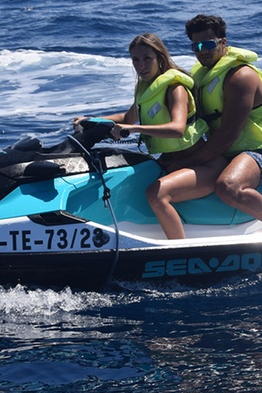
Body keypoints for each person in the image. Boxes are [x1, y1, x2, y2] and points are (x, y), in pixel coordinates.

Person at [74, 33, 225, 239]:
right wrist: (91, 120)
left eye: (147, 58)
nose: (141, 65)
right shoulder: (145, 89)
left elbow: (177, 128)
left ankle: (178, 250)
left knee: (156, 194)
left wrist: (133, 129)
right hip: (173, 162)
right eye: (135, 60)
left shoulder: (175, 88)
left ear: (160, 59)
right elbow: (127, 117)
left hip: (203, 166)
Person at [159, 14, 262, 234]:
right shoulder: (202, 75)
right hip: (225, 153)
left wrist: (190, 160)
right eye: (196, 46)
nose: (202, 51)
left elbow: (227, 135)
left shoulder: (241, 77)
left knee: (227, 187)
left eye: (208, 44)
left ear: (223, 42)